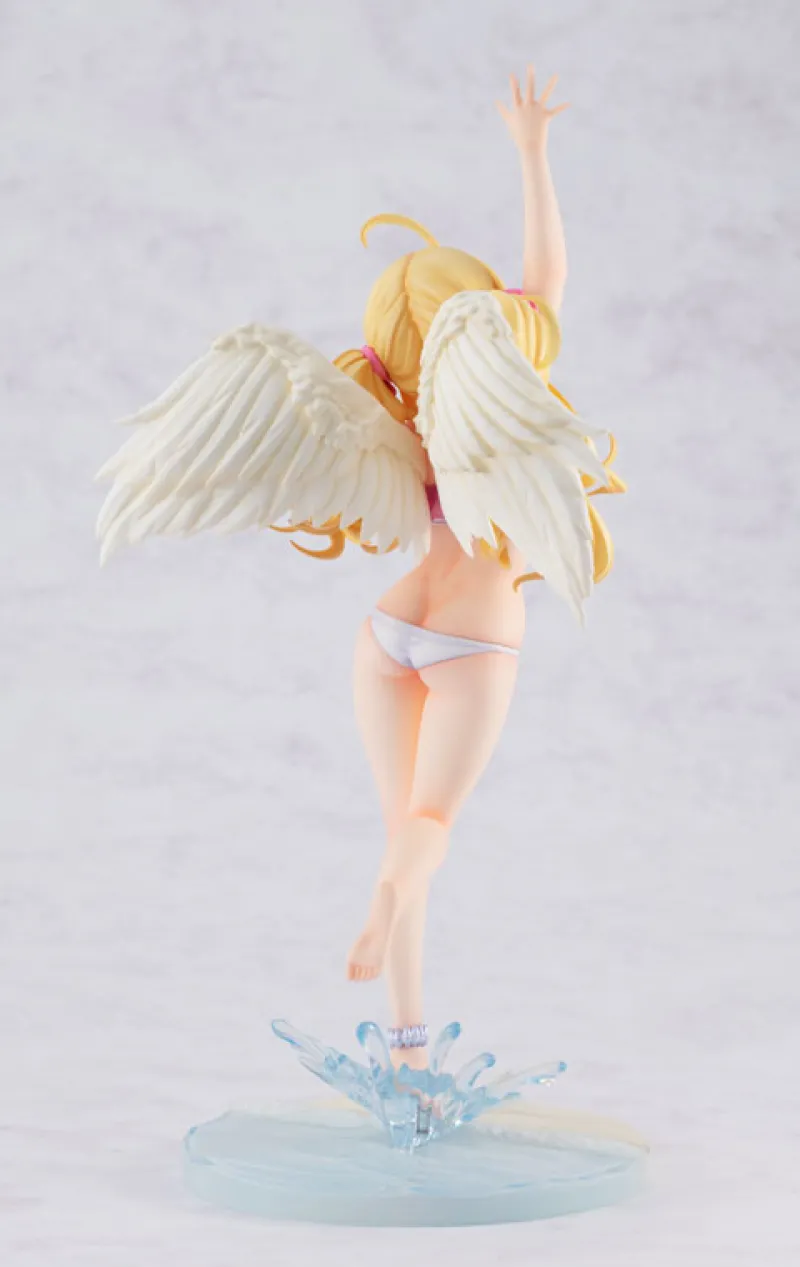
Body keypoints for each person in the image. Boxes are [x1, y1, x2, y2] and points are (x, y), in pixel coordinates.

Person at [96, 66, 623, 1071]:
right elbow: (546, 279)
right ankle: (382, 913)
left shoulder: (388, 420)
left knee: (399, 833)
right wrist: (531, 150)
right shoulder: (494, 397)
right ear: (473, 318)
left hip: (386, 631)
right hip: (473, 638)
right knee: (427, 827)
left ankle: (408, 1046)